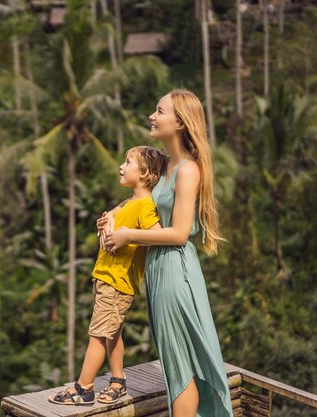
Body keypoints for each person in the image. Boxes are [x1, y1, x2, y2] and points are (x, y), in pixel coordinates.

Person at [99, 89, 234, 417]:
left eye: (160, 111)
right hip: (159, 270)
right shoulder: (168, 164)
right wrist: (114, 218)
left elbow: (177, 233)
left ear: (180, 123)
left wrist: (128, 235)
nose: (152, 116)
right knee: (176, 363)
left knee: (179, 368)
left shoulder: (187, 170)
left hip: (175, 271)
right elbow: (141, 201)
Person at [48, 145, 167, 406]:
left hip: (117, 281)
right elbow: (112, 222)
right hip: (106, 278)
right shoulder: (130, 202)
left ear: (145, 173)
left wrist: (127, 236)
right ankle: (118, 380)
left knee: (98, 335)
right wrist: (105, 223)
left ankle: (84, 388)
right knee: (112, 333)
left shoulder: (145, 206)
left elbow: (155, 235)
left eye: (128, 163)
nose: (121, 167)